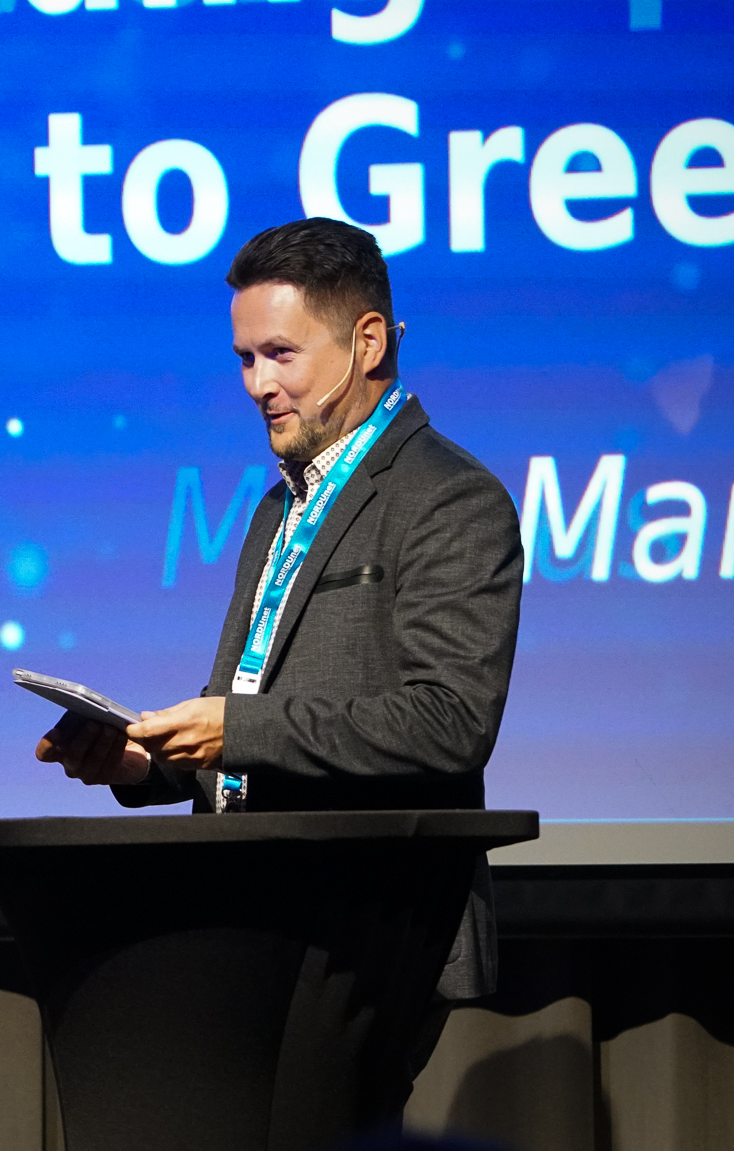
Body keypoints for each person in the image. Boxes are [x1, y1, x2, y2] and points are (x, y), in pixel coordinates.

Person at [34, 216, 524, 1036]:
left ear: (368, 342)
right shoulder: (277, 507)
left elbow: (450, 722)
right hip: (247, 920)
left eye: (281, 354)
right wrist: (141, 762)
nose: (258, 383)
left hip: (372, 929)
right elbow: (250, 714)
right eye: (245, 359)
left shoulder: (450, 498)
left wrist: (236, 727)